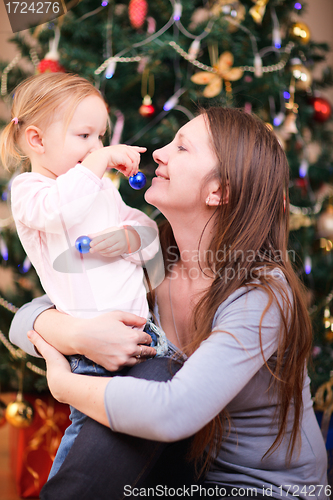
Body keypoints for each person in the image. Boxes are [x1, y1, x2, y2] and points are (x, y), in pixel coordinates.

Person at [10, 107, 329, 500]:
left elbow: (171, 413)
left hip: (259, 489)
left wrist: (64, 385)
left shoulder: (261, 294)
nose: (158, 152)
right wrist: (80, 334)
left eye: (182, 147)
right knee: (141, 378)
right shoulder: (152, 255)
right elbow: (23, 321)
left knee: (148, 378)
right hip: (181, 473)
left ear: (219, 191)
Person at [0, 72, 164, 478]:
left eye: (100, 136)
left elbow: (144, 231)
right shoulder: (30, 191)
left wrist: (133, 235)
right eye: (85, 135)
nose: (98, 146)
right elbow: (60, 209)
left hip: (143, 334)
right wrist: (99, 162)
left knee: (144, 446)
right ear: (37, 141)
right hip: (91, 353)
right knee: (88, 446)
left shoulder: (100, 189)